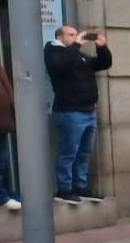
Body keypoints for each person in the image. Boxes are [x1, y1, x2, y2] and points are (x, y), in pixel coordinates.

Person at [44, 25, 112, 204]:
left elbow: (103, 64)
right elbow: (59, 65)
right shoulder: (53, 51)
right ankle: (64, 189)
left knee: (85, 153)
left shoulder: (78, 55)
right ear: (60, 37)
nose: (75, 38)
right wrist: (76, 46)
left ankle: (80, 187)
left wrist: (102, 47)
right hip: (69, 111)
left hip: (88, 110)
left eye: (76, 34)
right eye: (71, 35)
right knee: (69, 152)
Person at [0, 56, 17, 211]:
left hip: (1, 123)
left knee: (1, 161)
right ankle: (1, 196)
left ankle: (1, 195)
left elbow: (8, 90)